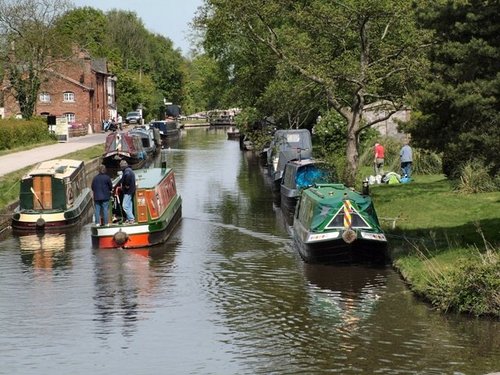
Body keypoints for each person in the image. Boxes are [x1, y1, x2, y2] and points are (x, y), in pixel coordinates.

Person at [119, 159, 136, 224]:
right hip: (131, 190)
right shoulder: (129, 170)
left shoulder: (127, 172)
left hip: (128, 191)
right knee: (129, 204)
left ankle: (131, 218)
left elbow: (128, 176)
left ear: (122, 167)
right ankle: (129, 218)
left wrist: (127, 185)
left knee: (125, 205)